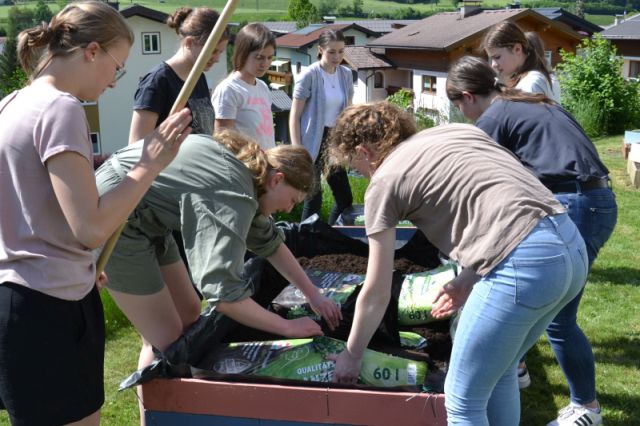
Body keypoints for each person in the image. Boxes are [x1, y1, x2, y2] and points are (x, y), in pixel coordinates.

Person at [326, 101, 587, 425]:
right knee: (501, 370)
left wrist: (352, 355)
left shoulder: (384, 181)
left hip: (524, 265)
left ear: (364, 151)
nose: (361, 174)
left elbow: (377, 290)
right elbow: (506, 202)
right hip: (569, 247)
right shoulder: (458, 132)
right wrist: (466, 279)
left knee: (462, 400)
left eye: (355, 166)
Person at [0, 2, 192, 425]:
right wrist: (150, 165)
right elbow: (90, 227)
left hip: (18, 303)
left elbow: (31, 207)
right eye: (116, 66)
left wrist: (73, 262)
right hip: (49, 312)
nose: (112, 81)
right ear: (91, 51)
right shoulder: (61, 109)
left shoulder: (11, 104)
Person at [94, 130, 342, 386]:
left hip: (152, 220)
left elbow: (272, 244)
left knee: (190, 312)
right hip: (118, 215)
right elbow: (222, 292)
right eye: (292, 200)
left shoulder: (252, 176)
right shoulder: (233, 193)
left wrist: (314, 295)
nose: (290, 209)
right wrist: (287, 328)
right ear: (277, 179)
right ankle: (157, 411)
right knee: (168, 343)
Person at [446, 55, 617, 426]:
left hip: (573, 202)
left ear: (466, 97)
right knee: (552, 309)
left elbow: (483, 186)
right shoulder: (527, 101)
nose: (463, 116)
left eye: (459, 107)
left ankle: (586, 408)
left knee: (559, 318)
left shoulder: (493, 118)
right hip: (594, 199)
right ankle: (517, 368)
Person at [129, 6, 229, 144]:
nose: (217, 58)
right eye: (213, 51)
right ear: (189, 43)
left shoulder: (199, 78)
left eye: (220, 52)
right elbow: (136, 145)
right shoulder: (157, 82)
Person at [289, 29, 354, 225]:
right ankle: (305, 243)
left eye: (341, 51)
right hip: (311, 141)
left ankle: (331, 234)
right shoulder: (309, 74)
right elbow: (294, 115)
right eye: (332, 52)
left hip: (334, 141)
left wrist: (348, 142)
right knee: (313, 199)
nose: (337, 57)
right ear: (320, 50)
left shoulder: (346, 74)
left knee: (344, 198)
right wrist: (298, 150)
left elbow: (348, 112)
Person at [212, 23, 276, 149]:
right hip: (243, 166)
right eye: (259, 57)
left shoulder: (262, 87)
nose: (265, 63)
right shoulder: (229, 90)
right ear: (243, 54)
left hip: (266, 164)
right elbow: (223, 140)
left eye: (269, 57)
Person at [483, 21, 559, 102]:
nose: (493, 64)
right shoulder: (527, 81)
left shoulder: (531, 84)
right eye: (492, 59)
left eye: (497, 57)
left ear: (517, 49)